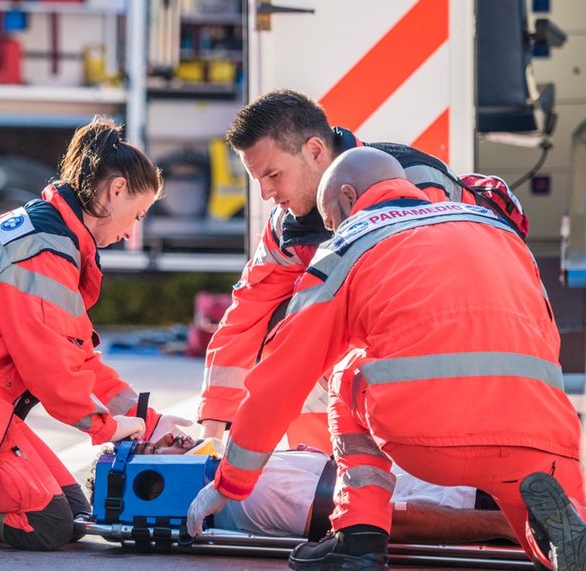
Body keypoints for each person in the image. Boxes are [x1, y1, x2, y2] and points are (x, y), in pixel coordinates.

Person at [186, 147, 586, 571]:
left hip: (426, 437)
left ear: (347, 199)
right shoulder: (493, 227)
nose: (332, 229)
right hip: (541, 434)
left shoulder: (351, 242)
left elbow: (283, 374)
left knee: (346, 373)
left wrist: (232, 482)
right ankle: (559, 547)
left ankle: (358, 538)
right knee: (539, 529)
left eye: (331, 218)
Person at [0, 116, 193, 552]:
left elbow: (78, 358)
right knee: (49, 525)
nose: (131, 232)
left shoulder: (52, 237)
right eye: (137, 215)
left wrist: (150, 421)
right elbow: (54, 373)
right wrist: (109, 427)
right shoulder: (43, 251)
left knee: (75, 515)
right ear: (117, 190)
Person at [198, 89, 512, 453]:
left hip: (467, 347)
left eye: (273, 175)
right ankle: (320, 467)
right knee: (285, 332)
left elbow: (436, 304)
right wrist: (211, 436)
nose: (267, 193)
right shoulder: (287, 225)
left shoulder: (415, 185)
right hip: (417, 349)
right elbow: (246, 315)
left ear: (315, 151)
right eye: (259, 180)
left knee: (321, 339)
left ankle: (428, 468)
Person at [89, 434, 516, 544]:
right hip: (454, 495)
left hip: (436, 474)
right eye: (155, 449)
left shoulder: (228, 472)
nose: (172, 439)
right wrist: (504, 525)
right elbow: (386, 520)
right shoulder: (220, 501)